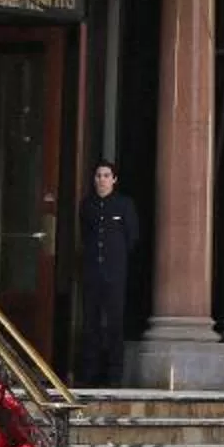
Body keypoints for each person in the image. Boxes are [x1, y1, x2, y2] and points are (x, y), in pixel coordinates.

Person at [74, 160, 139, 388]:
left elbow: (131, 238)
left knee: (114, 324)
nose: (102, 179)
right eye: (98, 175)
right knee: (90, 323)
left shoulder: (124, 205)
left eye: (106, 175)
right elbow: (86, 236)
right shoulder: (87, 205)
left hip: (115, 274)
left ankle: (114, 376)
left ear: (114, 179)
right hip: (92, 273)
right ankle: (90, 373)